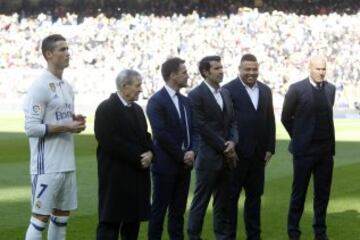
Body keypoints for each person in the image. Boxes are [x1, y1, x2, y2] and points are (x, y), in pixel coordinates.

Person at [23, 34, 86, 240]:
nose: (68, 53)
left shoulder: (67, 87)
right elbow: (31, 128)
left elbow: (62, 121)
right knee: (40, 218)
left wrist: (73, 122)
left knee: (61, 217)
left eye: (68, 49)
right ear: (49, 54)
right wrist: (65, 126)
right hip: (46, 165)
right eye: (62, 49)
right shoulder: (40, 85)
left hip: (67, 162)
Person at [94, 69, 154, 240]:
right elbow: (110, 141)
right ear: (124, 86)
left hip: (136, 177)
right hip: (116, 176)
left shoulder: (137, 110)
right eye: (138, 85)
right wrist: (139, 157)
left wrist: (151, 152)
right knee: (110, 224)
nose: (140, 89)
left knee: (132, 226)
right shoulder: (106, 108)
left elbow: (146, 136)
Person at [282, 55, 336, 240]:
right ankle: (293, 233)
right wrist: (299, 137)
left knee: (322, 195)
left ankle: (320, 232)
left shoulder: (331, 89)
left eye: (323, 69)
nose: (321, 72)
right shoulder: (296, 89)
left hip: (325, 152)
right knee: (299, 194)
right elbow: (285, 117)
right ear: (310, 68)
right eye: (317, 69)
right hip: (304, 152)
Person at [223, 53, 276, 240]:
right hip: (236, 156)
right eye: (247, 69)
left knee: (254, 199)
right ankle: (229, 236)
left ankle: (254, 236)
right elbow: (225, 123)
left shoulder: (265, 90)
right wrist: (229, 149)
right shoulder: (227, 90)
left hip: (258, 155)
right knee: (231, 199)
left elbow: (270, 119)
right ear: (239, 69)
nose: (251, 73)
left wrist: (270, 147)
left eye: (254, 69)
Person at [187, 55, 238, 240]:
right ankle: (194, 236)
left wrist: (233, 142)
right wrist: (225, 146)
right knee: (201, 202)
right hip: (208, 158)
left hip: (227, 158)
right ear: (205, 72)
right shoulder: (195, 95)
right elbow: (201, 126)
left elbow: (232, 121)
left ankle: (222, 236)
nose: (221, 71)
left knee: (222, 203)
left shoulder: (225, 93)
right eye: (216, 68)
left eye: (221, 67)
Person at [146, 57, 197, 240]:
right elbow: (161, 134)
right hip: (165, 166)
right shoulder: (156, 101)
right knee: (158, 212)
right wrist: (182, 155)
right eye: (184, 72)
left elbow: (194, 130)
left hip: (185, 165)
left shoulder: (186, 101)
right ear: (172, 75)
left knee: (178, 213)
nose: (187, 75)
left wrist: (193, 151)